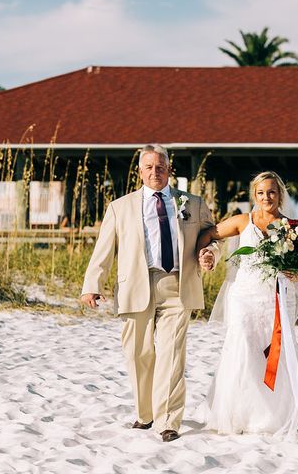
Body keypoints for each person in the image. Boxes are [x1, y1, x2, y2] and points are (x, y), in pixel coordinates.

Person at [80, 144, 219, 442]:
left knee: (171, 355)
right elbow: (104, 250)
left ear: (169, 169)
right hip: (135, 286)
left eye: (160, 166)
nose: (155, 172)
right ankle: (146, 414)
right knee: (137, 354)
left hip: (176, 285)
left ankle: (168, 421)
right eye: (149, 167)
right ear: (140, 171)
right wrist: (93, 284)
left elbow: (212, 235)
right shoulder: (120, 207)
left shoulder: (191, 203)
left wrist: (210, 254)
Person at [195, 171, 298, 439]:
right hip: (244, 295)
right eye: (260, 193)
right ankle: (240, 411)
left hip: (276, 297)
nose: (266, 197)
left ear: (280, 194)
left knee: (275, 349)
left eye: (271, 192)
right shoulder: (242, 221)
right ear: (254, 195)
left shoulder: (293, 227)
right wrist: (205, 254)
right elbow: (210, 234)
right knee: (243, 346)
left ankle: (273, 413)